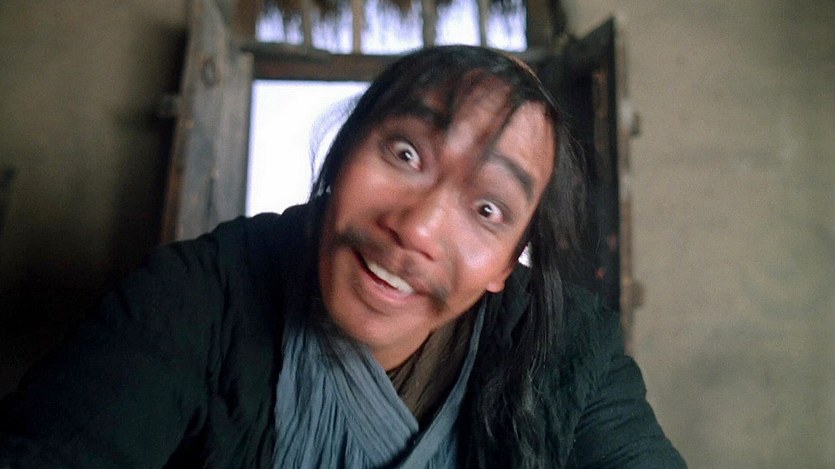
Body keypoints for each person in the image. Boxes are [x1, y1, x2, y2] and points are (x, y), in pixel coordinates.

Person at [0, 46, 685, 468]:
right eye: (406, 153)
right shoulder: (195, 297)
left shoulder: (569, 351)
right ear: (345, 149)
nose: (416, 229)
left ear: (507, 265)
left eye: (487, 209)